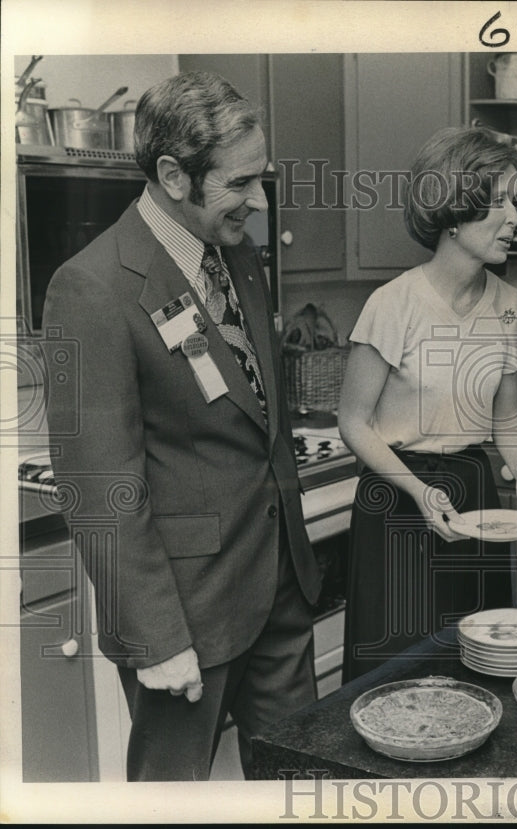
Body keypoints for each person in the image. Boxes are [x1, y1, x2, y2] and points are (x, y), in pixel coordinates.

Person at [42, 71, 319, 781]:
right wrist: (155, 636)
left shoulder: (239, 256)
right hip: (184, 612)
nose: (258, 203)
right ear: (172, 174)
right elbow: (100, 486)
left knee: (297, 778)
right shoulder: (92, 287)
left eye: (262, 179)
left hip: (279, 584)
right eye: (241, 184)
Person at [339, 126, 517, 682]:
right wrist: (416, 489)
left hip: (474, 494)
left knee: (479, 660)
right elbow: (353, 422)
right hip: (396, 499)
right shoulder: (393, 305)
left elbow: (506, 416)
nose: (515, 219)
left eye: (515, 202)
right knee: (394, 675)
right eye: (498, 202)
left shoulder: (513, 307)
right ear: (453, 212)